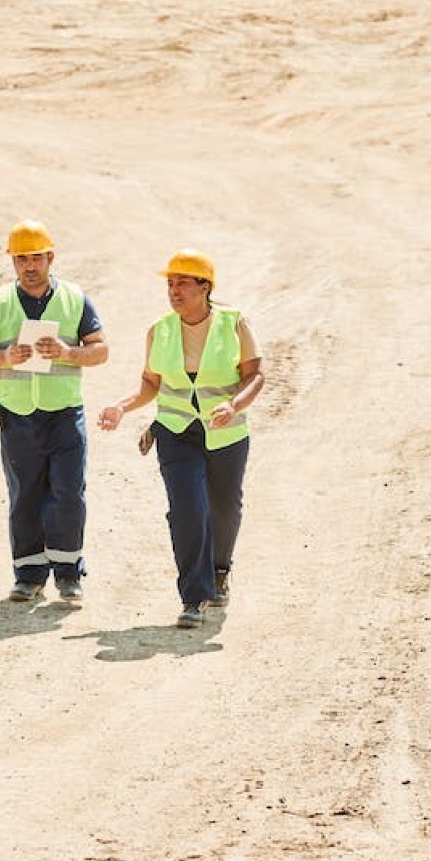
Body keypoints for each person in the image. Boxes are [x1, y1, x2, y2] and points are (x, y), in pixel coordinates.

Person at [97, 249, 263, 629]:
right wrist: (123, 407)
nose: (174, 290)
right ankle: (195, 596)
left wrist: (234, 406)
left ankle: (220, 570)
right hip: (175, 432)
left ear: (205, 287)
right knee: (187, 509)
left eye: (183, 282)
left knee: (225, 509)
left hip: (226, 431)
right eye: (170, 283)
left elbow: (255, 375)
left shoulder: (234, 323)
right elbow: (151, 384)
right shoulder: (161, 329)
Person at [0, 220, 108, 606]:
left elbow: (100, 350)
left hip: (64, 412)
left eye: (36, 258)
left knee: (68, 492)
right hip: (18, 416)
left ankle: (67, 572)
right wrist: (4, 356)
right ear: (13, 261)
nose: (29, 266)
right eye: (21, 258)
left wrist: (67, 352)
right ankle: (28, 576)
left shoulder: (76, 299)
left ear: (51, 257)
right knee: (24, 495)